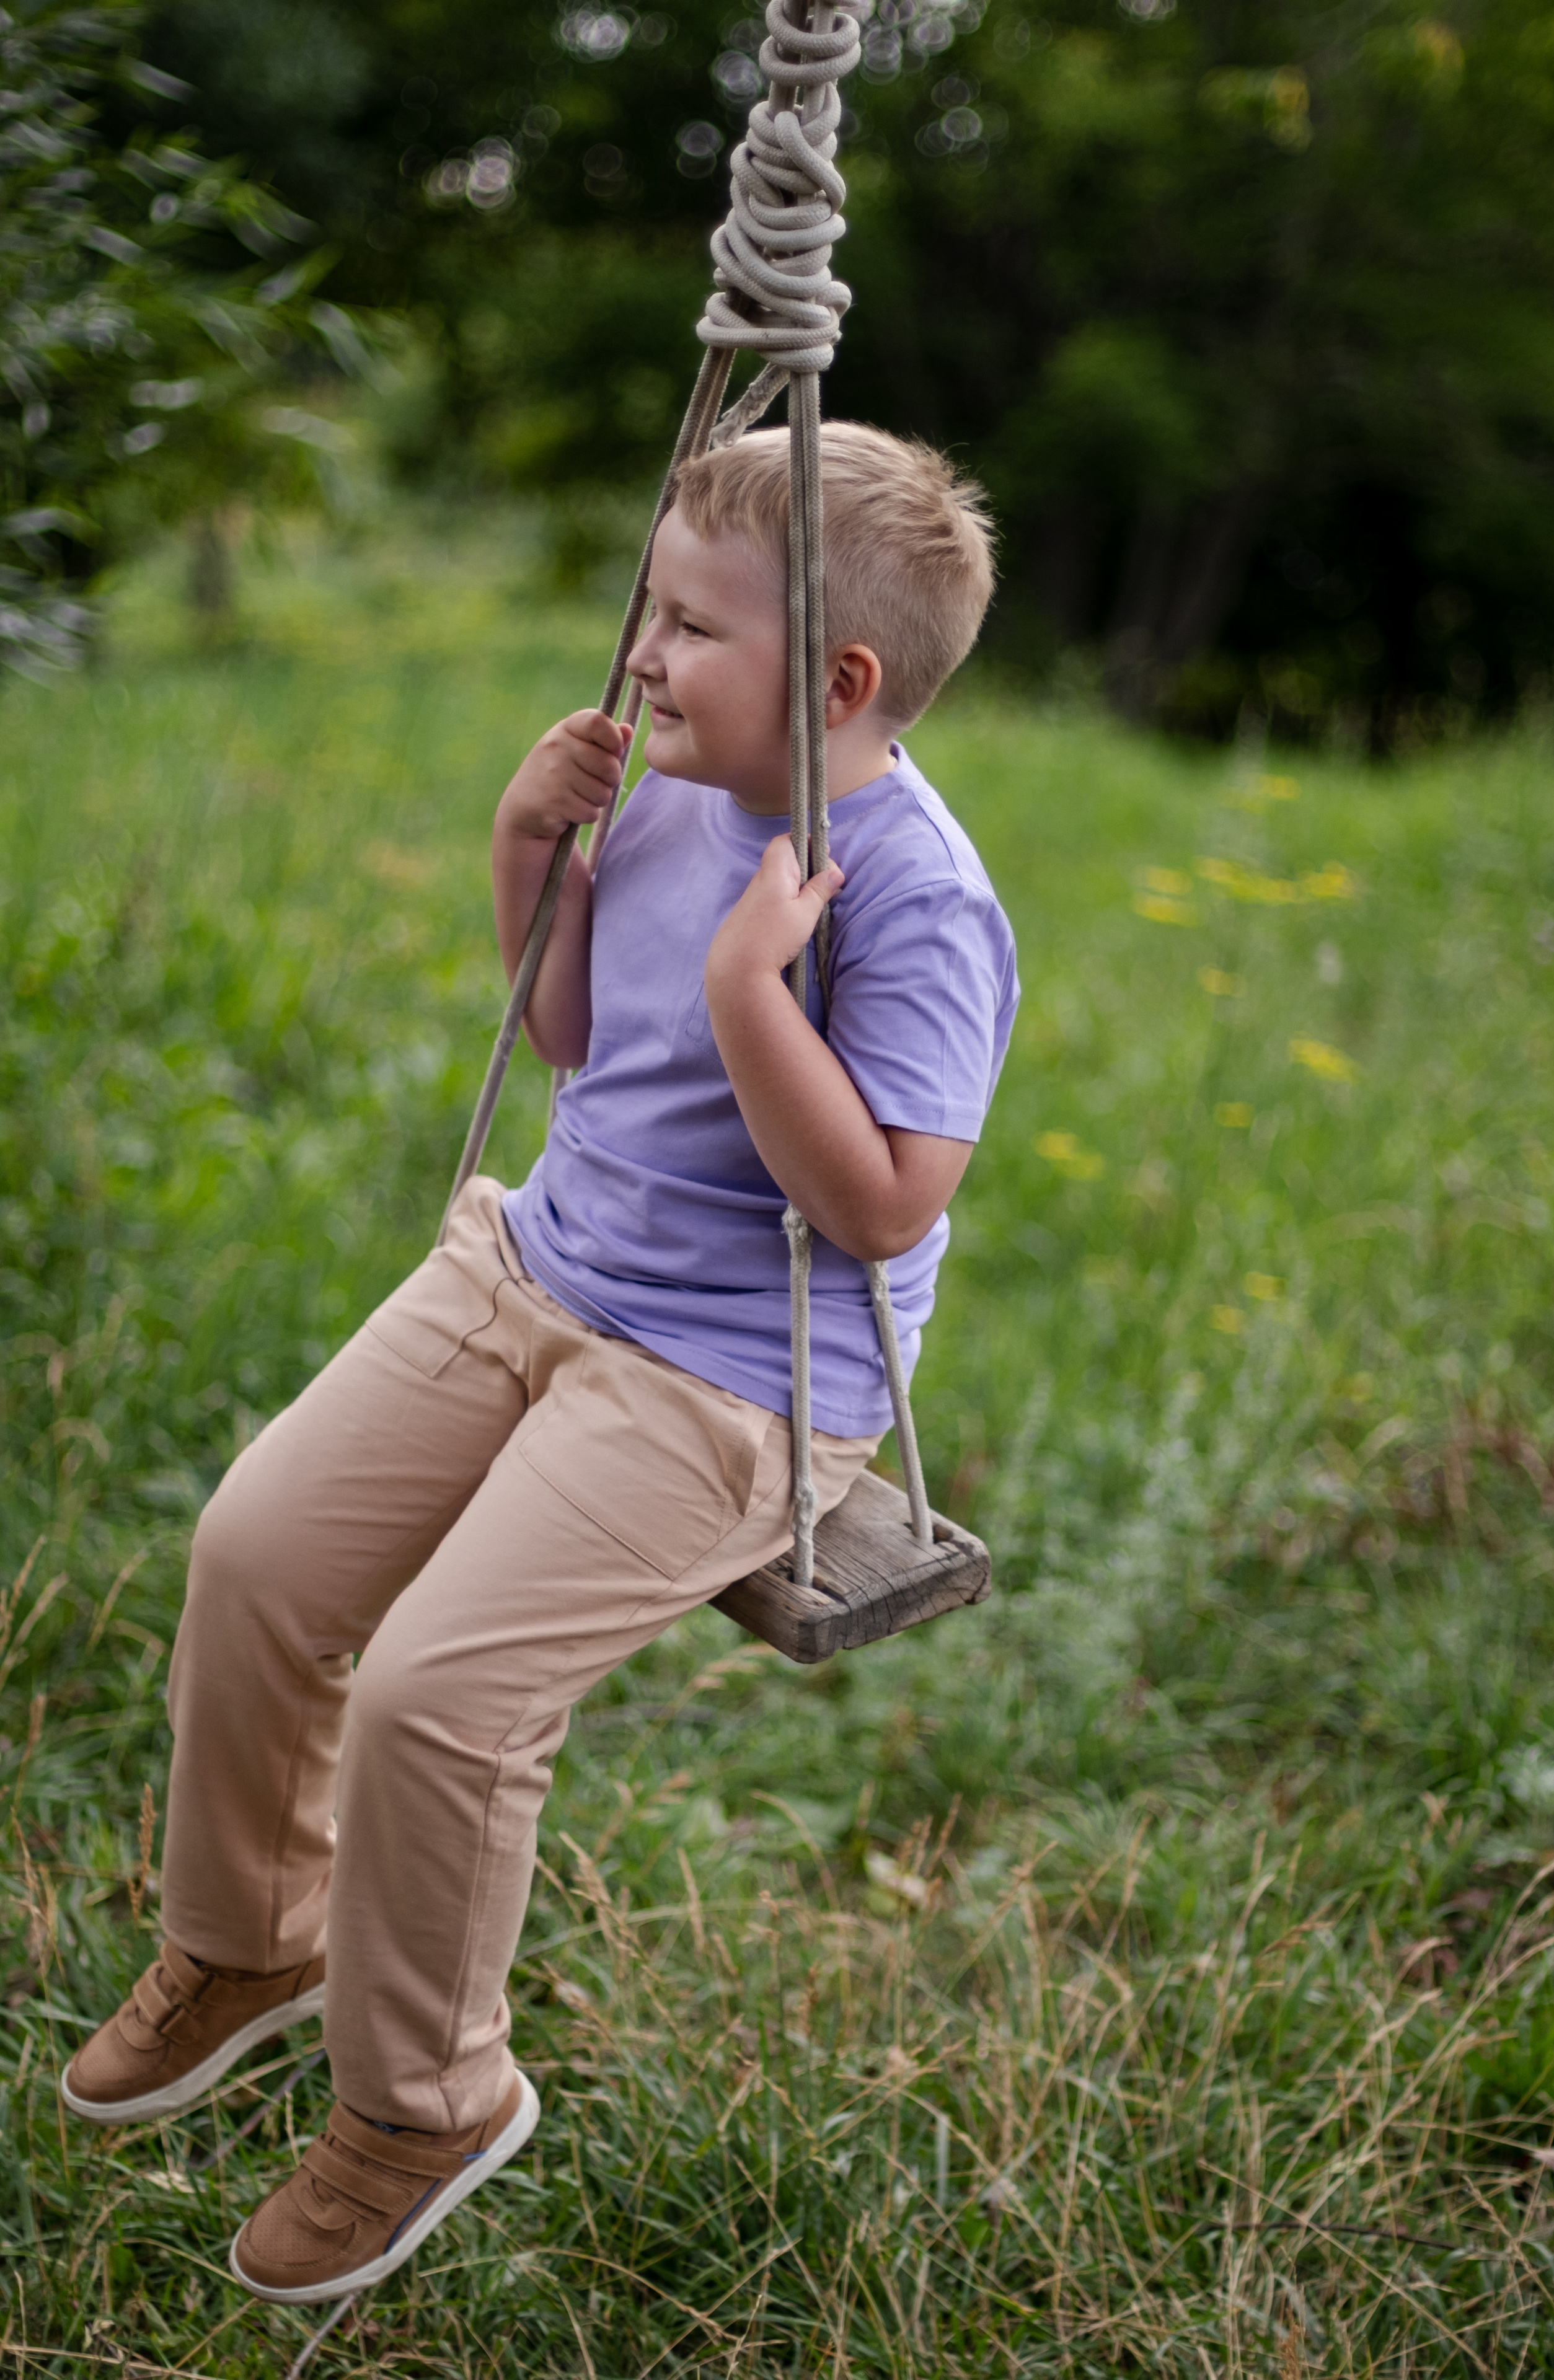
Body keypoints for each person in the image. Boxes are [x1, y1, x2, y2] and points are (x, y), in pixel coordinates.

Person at [60, 422, 1020, 2304]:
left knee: (441, 1692)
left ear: (839, 681)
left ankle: (426, 2100)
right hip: (539, 1273)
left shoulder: (916, 898)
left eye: (689, 626)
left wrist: (758, 992)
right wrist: (530, 846)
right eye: (648, 609)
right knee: (257, 1557)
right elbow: (569, 1031)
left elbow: (888, 1211)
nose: (643, 657)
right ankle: (255, 1936)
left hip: (733, 1382)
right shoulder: (668, 785)